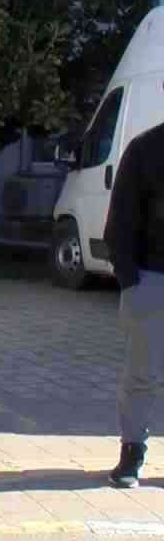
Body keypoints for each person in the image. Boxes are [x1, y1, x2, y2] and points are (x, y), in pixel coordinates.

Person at [104, 121, 164, 488]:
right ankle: (133, 451)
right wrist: (131, 280)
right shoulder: (144, 148)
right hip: (150, 280)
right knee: (141, 374)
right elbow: (120, 220)